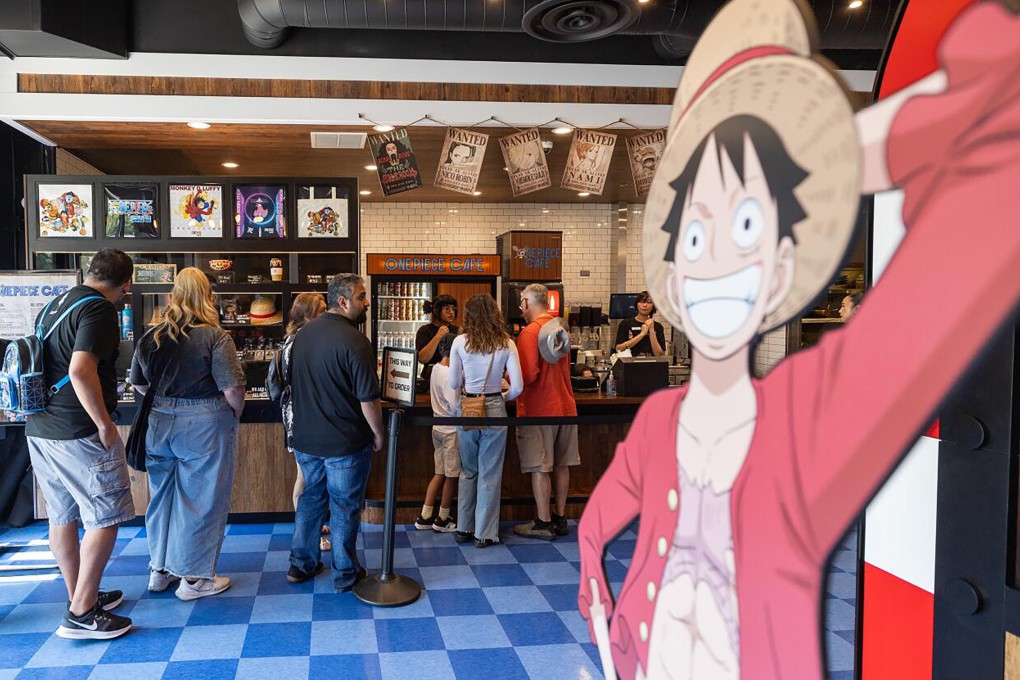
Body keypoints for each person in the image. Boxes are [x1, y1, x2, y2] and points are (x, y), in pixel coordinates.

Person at [577, 1, 1020, 678]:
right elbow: (602, 513)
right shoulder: (661, 419)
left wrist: (839, 163)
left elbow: (1001, 133)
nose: (717, 259)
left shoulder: (809, 417)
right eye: (696, 235)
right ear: (673, 267)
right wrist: (592, 574)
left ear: (784, 264)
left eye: (747, 226)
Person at [26, 248, 135, 639]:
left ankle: (80, 596)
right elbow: (79, 370)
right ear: (127, 282)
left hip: (40, 427)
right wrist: (104, 423)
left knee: (62, 515)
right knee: (107, 515)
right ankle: (82, 613)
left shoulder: (55, 304)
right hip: (78, 431)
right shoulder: (100, 310)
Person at [130, 267, 246, 600]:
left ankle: (160, 569)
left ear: (174, 294)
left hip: (158, 422)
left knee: (161, 497)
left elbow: (138, 383)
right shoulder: (214, 336)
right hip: (204, 422)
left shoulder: (151, 335)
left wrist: (166, 402)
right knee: (201, 500)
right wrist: (235, 411)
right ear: (207, 295)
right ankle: (194, 579)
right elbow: (233, 388)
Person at [287, 274, 384, 592]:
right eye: (361, 296)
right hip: (344, 442)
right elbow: (368, 399)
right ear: (342, 301)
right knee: (344, 505)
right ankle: (345, 572)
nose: (366, 301)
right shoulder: (356, 342)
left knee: (311, 500)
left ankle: (301, 565)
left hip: (305, 439)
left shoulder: (302, 336)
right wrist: (379, 433)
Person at [448, 294, 523, 548]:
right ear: (495, 314)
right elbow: (518, 387)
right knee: (490, 471)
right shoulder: (506, 343)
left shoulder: (459, 342)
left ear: (468, 316)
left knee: (468, 470)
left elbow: (454, 383)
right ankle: (484, 533)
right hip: (494, 407)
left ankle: (463, 527)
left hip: (468, 407)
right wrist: (502, 395)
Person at [513, 284, 579, 540]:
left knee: (540, 466)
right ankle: (560, 518)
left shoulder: (530, 333)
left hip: (539, 409)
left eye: (521, 302)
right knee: (562, 464)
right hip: (566, 406)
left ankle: (543, 522)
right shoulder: (561, 329)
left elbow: (528, 375)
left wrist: (508, 376)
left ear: (528, 303)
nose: (520, 307)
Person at [278, 293, 330, 551]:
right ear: (308, 314)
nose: (327, 313)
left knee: (311, 476)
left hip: (302, 414)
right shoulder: (301, 342)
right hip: (301, 417)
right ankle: (308, 534)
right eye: (321, 310)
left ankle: (314, 523)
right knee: (305, 479)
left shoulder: (295, 340)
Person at [414, 332, 460, 532]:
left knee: (439, 473)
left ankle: (425, 515)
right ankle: (443, 517)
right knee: (451, 475)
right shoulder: (450, 373)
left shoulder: (434, 369)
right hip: (451, 430)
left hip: (437, 427)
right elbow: (454, 404)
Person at [415, 294, 459, 385]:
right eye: (447, 309)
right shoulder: (425, 330)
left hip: (452, 376)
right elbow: (422, 358)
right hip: (429, 378)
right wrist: (438, 336)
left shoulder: (457, 331)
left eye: (453, 309)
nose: (451, 312)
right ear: (436, 311)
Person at [614, 291, 666, 357]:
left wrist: (652, 332)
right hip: (630, 365)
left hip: (651, 365)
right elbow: (618, 349)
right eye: (641, 302)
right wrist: (642, 334)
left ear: (653, 306)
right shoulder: (625, 324)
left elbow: (659, 354)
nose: (644, 305)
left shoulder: (658, 327)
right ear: (637, 304)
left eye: (649, 302)